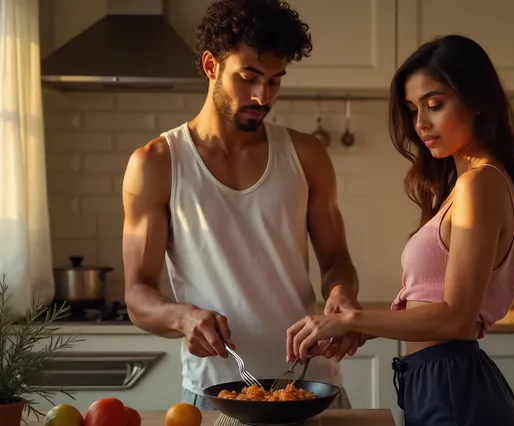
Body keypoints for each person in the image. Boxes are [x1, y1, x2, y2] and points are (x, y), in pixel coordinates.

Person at [285, 34, 514, 426]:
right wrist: (362, 325)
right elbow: (430, 304)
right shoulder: (465, 186)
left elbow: (456, 319)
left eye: (435, 105)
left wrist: (350, 320)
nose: (420, 123)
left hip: (452, 386)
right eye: (412, 109)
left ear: (476, 100)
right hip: (435, 380)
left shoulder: (479, 184)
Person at [121, 0, 363, 411]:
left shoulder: (307, 154)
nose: (261, 95)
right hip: (215, 393)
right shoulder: (157, 163)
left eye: (274, 81)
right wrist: (183, 317)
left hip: (310, 388)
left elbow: (337, 260)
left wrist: (342, 294)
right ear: (212, 65)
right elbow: (138, 295)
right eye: (248, 77)